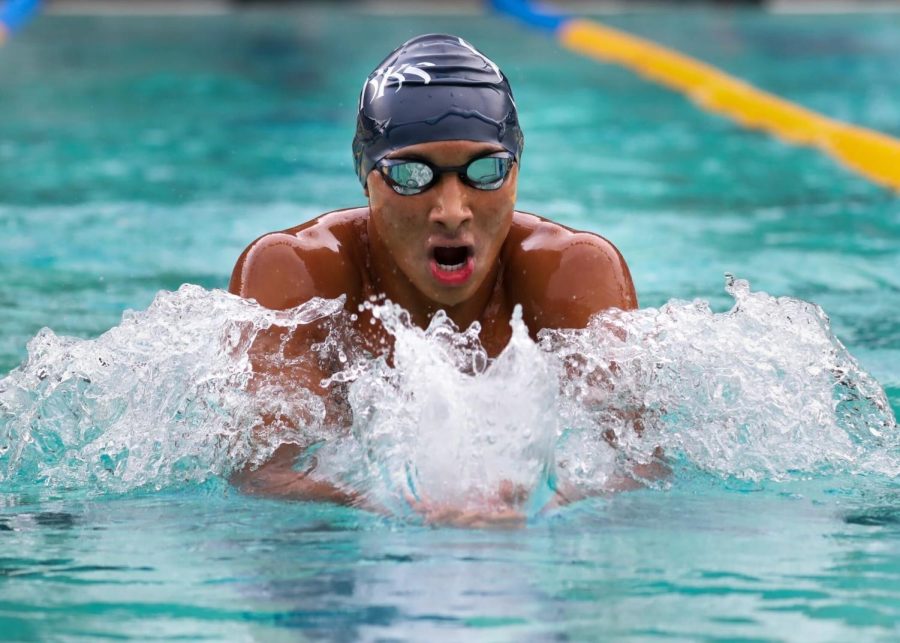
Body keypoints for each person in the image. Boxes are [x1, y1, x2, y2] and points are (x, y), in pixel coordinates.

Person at [228, 34, 637, 526]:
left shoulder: (573, 271)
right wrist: (380, 502)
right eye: (411, 175)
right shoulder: (295, 273)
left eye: (484, 171)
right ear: (366, 175)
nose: (451, 211)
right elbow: (264, 472)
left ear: (517, 171)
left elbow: (635, 463)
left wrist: (549, 502)